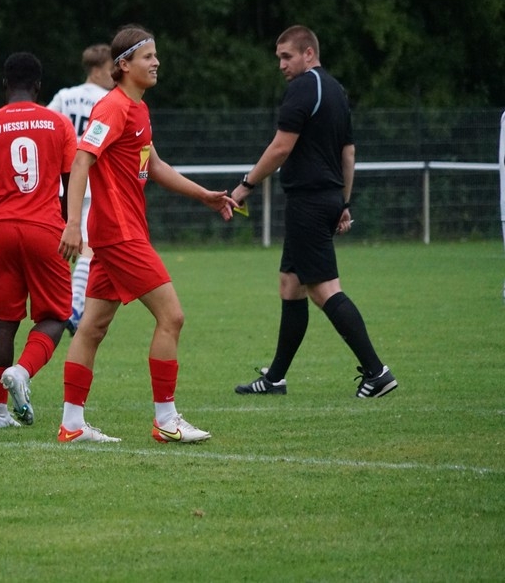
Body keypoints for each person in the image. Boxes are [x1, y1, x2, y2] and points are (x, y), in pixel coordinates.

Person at [57, 25, 235, 444]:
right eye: (148, 56)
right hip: (119, 233)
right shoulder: (112, 108)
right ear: (124, 65)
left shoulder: (138, 108)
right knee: (172, 317)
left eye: (155, 55)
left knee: (92, 328)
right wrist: (72, 223)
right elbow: (81, 161)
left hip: (122, 232)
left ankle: (72, 424)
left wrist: (204, 196)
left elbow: (154, 166)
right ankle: (166, 420)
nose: (156, 62)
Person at [231, 25, 398, 399]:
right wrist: (343, 203)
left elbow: (280, 148)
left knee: (324, 291)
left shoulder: (304, 87)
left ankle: (377, 372)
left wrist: (246, 186)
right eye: (279, 57)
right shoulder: (336, 90)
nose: (281, 65)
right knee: (290, 285)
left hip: (308, 201)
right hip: (325, 198)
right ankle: (275, 379)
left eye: (287, 56)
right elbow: (348, 153)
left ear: (309, 53)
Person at [0, 52, 78, 428]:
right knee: (56, 315)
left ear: (3, 85)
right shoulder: (59, 123)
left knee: (3, 323)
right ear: (39, 86)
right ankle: (23, 371)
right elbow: (70, 183)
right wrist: (68, 226)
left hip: (1, 231)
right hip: (45, 229)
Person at [45, 44, 115, 335]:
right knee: (88, 247)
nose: (114, 74)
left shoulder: (65, 96)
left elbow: (45, 127)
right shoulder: (108, 100)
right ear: (97, 70)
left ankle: (61, 303)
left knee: (62, 244)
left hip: (62, 181)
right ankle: (74, 307)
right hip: (91, 180)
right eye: (110, 68)